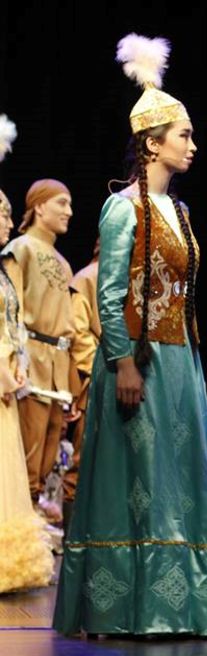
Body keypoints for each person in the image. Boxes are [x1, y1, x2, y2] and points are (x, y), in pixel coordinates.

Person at [53, 34, 207, 636]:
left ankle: (182, 609)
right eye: (184, 135)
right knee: (140, 481)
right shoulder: (122, 207)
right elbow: (108, 293)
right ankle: (130, 609)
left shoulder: (178, 211)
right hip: (140, 362)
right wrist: (124, 361)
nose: (193, 146)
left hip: (180, 362)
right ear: (152, 144)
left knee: (178, 481)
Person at [1, 178, 78, 518]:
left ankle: (35, 518)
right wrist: (16, 362)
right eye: (61, 202)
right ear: (39, 206)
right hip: (30, 360)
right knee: (29, 453)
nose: (69, 211)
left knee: (49, 454)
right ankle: (23, 525)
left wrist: (72, 382)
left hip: (58, 367)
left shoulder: (63, 263)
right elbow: (10, 310)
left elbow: (69, 325)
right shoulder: (20, 250)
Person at [0, 185, 55, 593]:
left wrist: (17, 366)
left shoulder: (3, 272)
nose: (7, 222)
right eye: (1, 214)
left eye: (7, 214)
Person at [63, 239, 100, 532]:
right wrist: (101, 368)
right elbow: (78, 332)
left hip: (131, 383)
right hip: (99, 381)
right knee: (82, 460)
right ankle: (72, 537)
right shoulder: (88, 278)